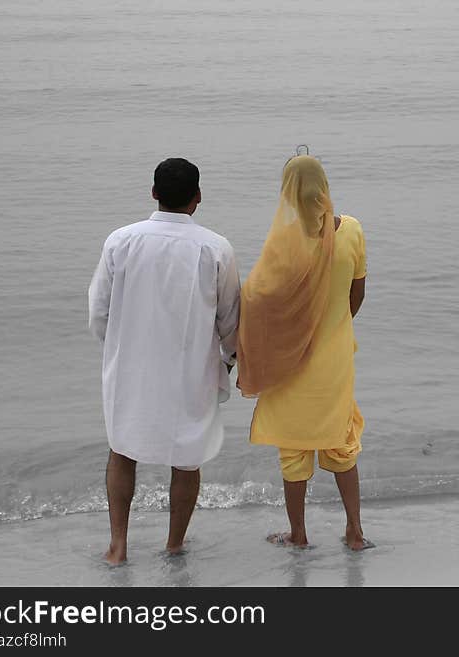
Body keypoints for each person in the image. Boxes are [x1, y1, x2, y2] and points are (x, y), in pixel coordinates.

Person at [88, 158, 240, 565]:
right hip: (191, 367)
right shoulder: (215, 247)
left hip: (131, 365)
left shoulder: (120, 240)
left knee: (122, 450)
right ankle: (173, 544)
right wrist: (229, 360)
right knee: (186, 457)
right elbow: (230, 318)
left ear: (153, 193)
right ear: (198, 198)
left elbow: (98, 310)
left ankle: (118, 546)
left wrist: (119, 347)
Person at [237, 153, 371, 550]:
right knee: (341, 441)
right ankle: (355, 533)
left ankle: (298, 535)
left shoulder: (285, 243)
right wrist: (334, 326)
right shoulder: (352, 230)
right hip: (335, 359)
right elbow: (357, 292)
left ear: (289, 194)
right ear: (323, 186)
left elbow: (258, 299)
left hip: (292, 362)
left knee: (293, 448)